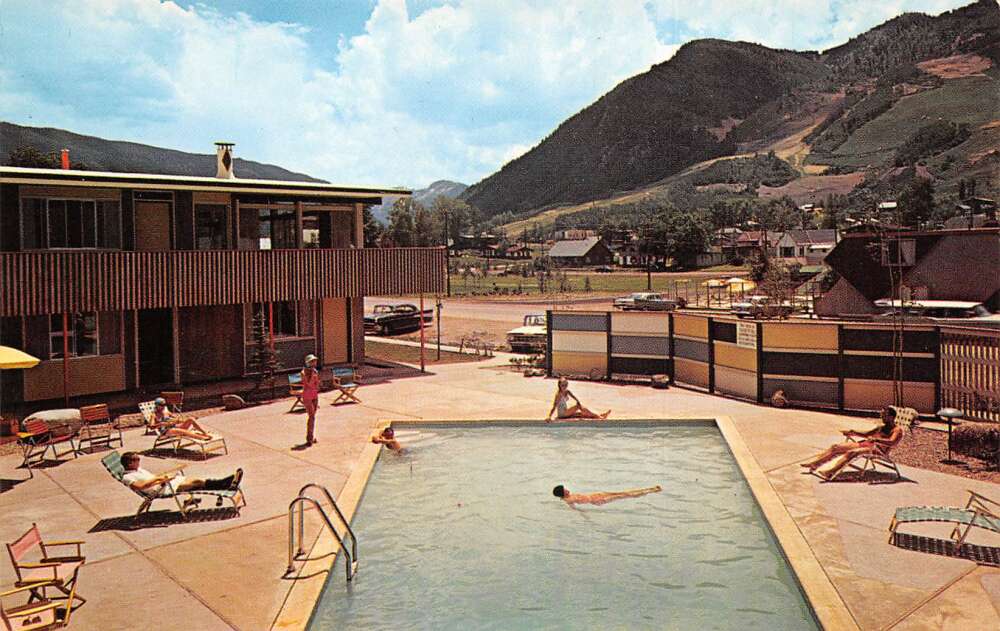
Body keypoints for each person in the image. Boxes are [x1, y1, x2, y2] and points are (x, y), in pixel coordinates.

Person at [800, 407, 904, 480]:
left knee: (852, 452)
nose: (882, 417)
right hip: (867, 444)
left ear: (891, 417)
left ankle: (830, 472)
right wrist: (853, 432)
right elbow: (866, 434)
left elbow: (892, 442)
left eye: (885, 415)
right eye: (882, 415)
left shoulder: (897, 430)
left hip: (877, 450)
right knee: (836, 447)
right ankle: (815, 464)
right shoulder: (882, 427)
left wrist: (876, 440)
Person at [120, 451, 242, 506]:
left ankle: (225, 483)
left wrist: (163, 478)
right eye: (136, 459)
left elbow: (151, 479)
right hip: (162, 489)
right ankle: (226, 484)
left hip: (164, 483)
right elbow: (140, 486)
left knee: (197, 481)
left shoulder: (138, 470)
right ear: (130, 463)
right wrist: (159, 479)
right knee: (197, 483)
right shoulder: (127, 477)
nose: (139, 461)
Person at [552, 484, 662, 506]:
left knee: (622, 492)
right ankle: (651, 491)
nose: (567, 489)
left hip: (595, 495)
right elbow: (575, 508)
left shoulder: (569, 497)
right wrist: (585, 516)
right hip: (597, 501)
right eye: (564, 489)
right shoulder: (569, 500)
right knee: (622, 496)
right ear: (563, 493)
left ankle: (651, 489)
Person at [301, 354, 321, 446]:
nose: (314, 363)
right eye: (312, 361)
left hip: (314, 395)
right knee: (311, 416)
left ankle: (311, 436)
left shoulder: (315, 371)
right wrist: (313, 375)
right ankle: (309, 438)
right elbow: (308, 383)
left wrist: (318, 384)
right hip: (307, 396)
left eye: (315, 361)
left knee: (313, 417)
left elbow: (316, 384)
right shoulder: (304, 372)